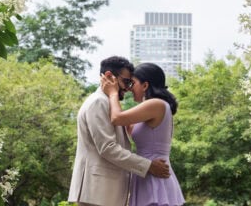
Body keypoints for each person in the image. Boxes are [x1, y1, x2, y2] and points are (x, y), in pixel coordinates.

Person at [68, 56, 170, 206]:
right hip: (98, 192)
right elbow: (107, 148)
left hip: (105, 192)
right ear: (109, 76)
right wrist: (148, 166)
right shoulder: (98, 102)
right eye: (126, 82)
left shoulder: (107, 102)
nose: (128, 88)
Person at [101, 62, 185, 206]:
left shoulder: (156, 104)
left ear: (145, 85)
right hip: (146, 171)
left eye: (132, 83)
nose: (129, 89)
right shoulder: (148, 109)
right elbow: (125, 125)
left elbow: (117, 118)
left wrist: (113, 93)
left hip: (155, 176)